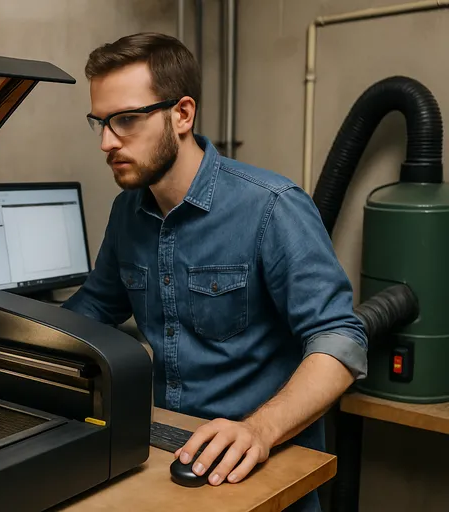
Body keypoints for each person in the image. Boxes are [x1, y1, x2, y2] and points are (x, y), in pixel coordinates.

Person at [61, 32, 368, 511]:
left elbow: (339, 341)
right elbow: (93, 309)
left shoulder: (272, 208)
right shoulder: (127, 212)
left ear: (182, 114)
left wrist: (258, 430)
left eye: (125, 120)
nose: (106, 141)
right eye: (99, 122)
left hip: (261, 467)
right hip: (166, 454)